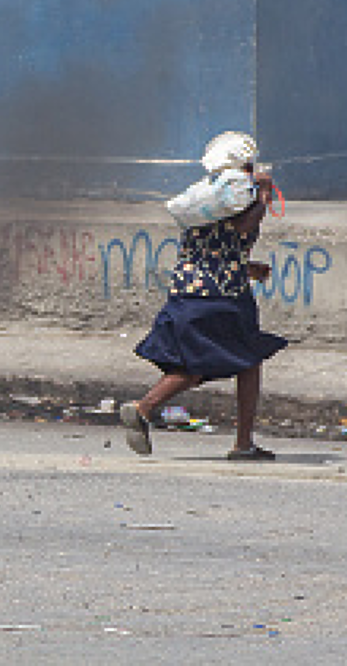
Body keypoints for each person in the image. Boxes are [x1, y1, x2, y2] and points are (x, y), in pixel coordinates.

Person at [120, 131, 288, 461]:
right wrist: (265, 194)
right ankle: (144, 407)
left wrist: (248, 267)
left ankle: (243, 443)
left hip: (190, 290)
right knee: (210, 364)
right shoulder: (239, 196)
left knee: (230, 361)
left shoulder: (207, 200)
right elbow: (242, 227)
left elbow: (214, 247)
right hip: (220, 296)